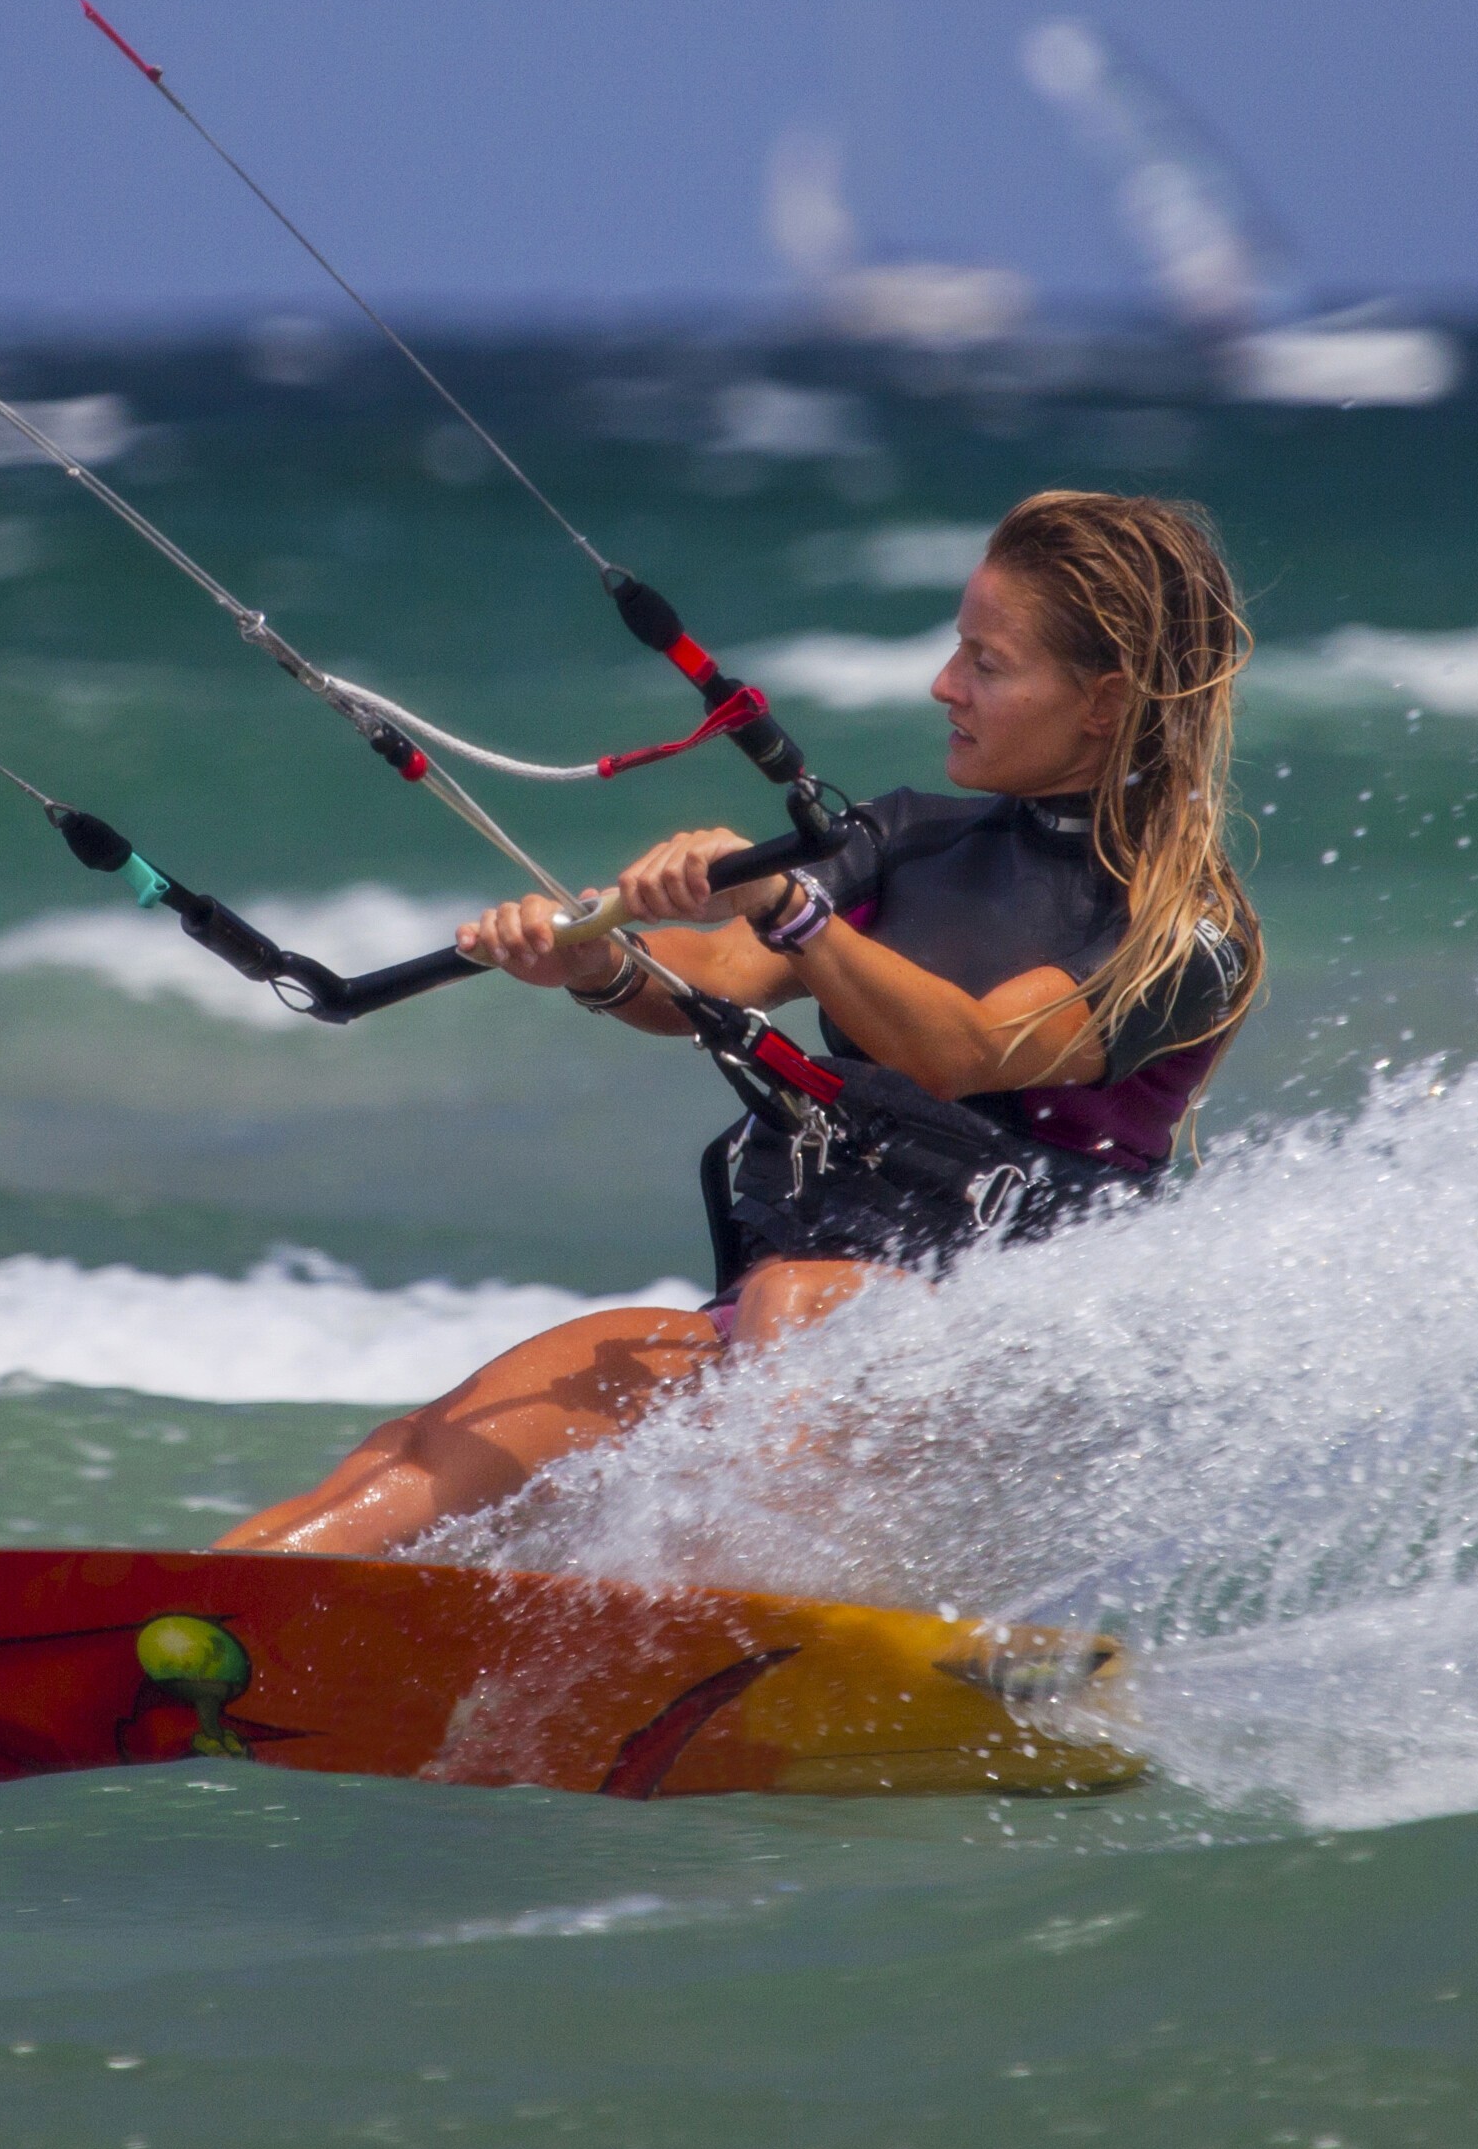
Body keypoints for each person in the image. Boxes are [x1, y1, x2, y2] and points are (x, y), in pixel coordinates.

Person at [221, 487, 1264, 1557]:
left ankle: (742, 1627)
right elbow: (716, 972)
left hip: (1010, 1381)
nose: (944, 683)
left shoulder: (1184, 931)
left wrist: (789, 902)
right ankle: (198, 1606)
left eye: (986, 665)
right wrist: (595, 962)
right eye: (957, 649)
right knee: (452, 1444)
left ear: (1103, 702)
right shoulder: (910, 838)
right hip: (806, 1346)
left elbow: (968, 1048)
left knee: (802, 1305)